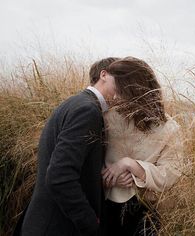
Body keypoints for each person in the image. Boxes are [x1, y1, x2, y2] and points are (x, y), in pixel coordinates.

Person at [13, 57, 120, 236]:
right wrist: (89, 222)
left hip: (44, 222)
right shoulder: (87, 110)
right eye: (121, 80)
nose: (125, 89)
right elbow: (59, 175)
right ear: (104, 75)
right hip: (56, 225)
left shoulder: (76, 102)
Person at [102, 57, 183, 236]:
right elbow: (85, 162)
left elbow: (170, 173)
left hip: (144, 210)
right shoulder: (105, 117)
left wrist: (130, 164)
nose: (114, 97)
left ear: (134, 90)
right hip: (103, 206)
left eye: (120, 91)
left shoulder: (169, 128)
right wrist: (108, 179)